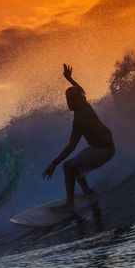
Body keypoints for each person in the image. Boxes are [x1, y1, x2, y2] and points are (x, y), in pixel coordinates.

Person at [42, 64, 115, 213]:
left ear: (77, 100)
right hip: (99, 147)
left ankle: (70, 205)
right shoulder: (83, 103)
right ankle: (88, 192)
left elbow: (72, 146)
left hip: (104, 150)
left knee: (68, 166)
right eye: (67, 99)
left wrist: (54, 163)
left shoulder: (81, 117)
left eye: (71, 99)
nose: (68, 102)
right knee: (75, 166)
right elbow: (81, 91)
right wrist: (69, 79)